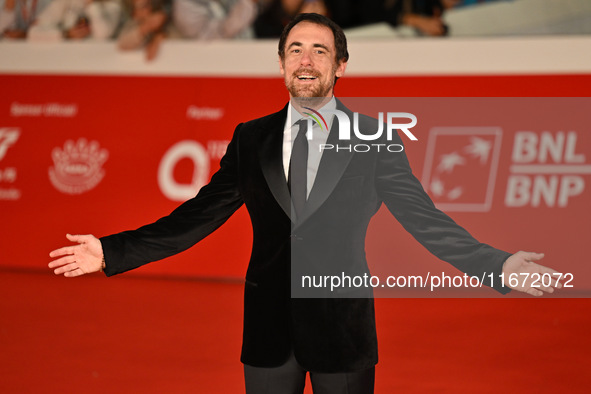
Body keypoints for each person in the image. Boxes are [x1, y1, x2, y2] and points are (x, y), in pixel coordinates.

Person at [49, 12, 563, 394]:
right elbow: (198, 216)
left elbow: (427, 222)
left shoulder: (376, 140)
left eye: (320, 50)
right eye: (295, 49)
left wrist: (499, 265)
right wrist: (112, 251)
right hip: (268, 329)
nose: (306, 60)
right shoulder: (251, 139)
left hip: (342, 329)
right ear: (279, 63)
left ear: (341, 64)